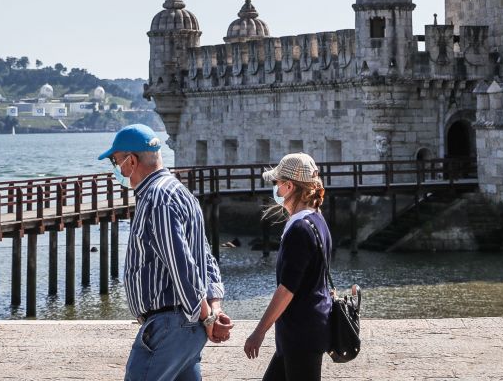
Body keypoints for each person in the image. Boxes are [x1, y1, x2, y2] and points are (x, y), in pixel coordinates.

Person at [98, 124, 232, 381]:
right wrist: (214, 308)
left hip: (170, 324)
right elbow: (205, 258)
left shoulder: (156, 199)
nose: (116, 169)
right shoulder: (181, 193)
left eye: (116, 162)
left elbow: (182, 267)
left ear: (132, 161)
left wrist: (208, 318)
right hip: (187, 327)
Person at [243, 152, 333, 381]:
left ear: (289, 186)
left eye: (277, 183)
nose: (275, 189)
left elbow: (286, 289)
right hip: (306, 329)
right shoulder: (317, 220)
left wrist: (259, 332)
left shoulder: (299, 230)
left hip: (301, 335)